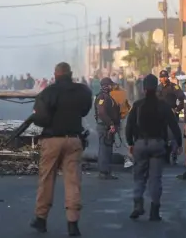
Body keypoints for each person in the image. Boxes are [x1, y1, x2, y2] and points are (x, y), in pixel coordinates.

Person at [29, 62, 92, 236]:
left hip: (52, 140)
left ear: (56, 74)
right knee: (72, 182)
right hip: (73, 139)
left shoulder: (48, 92)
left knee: (46, 179)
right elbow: (85, 110)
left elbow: (40, 118)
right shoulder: (82, 91)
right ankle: (73, 222)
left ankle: (41, 219)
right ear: (70, 74)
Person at [126, 74, 182, 221]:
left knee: (139, 177)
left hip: (140, 143)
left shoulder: (138, 105)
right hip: (157, 144)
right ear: (156, 87)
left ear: (144, 88)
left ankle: (138, 205)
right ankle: (154, 211)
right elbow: (174, 125)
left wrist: (130, 143)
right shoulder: (163, 105)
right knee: (155, 179)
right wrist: (179, 143)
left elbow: (129, 126)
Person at [94, 77, 121, 179]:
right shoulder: (102, 97)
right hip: (104, 127)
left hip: (106, 126)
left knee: (107, 149)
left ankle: (106, 171)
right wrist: (111, 124)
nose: (112, 87)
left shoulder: (107, 97)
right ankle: (104, 172)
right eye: (110, 85)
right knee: (105, 149)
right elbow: (101, 112)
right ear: (106, 86)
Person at [156, 70, 185, 164]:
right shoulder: (157, 88)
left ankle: (174, 154)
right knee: (162, 136)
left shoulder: (174, 87)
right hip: (160, 116)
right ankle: (165, 156)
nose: (163, 79)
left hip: (172, 114)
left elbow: (182, 98)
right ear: (159, 78)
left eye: (165, 77)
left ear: (167, 77)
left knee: (172, 135)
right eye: (161, 77)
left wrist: (177, 109)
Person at [110, 83, 133, 168]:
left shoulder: (110, 94)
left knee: (111, 137)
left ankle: (109, 154)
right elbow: (129, 106)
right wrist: (125, 113)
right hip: (122, 117)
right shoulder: (124, 92)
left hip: (112, 118)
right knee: (123, 137)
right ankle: (128, 156)